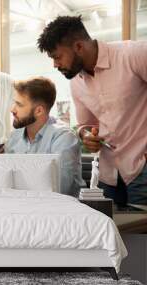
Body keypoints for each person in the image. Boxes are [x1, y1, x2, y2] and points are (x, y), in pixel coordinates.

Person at [37, 15, 147, 205]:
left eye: (57, 57)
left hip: (142, 168)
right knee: (109, 230)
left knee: (140, 233)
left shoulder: (134, 54)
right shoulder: (76, 83)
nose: (55, 65)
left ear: (79, 47)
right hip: (107, 174)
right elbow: (85, 125)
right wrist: (86, 134)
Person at [5, 77, 84, 197]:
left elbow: (60, 188)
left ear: (39, 111)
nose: (12, 110)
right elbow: (7, 183)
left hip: (58, 209)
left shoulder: (64, 139)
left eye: (19, 105)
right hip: (22, 205)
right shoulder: (14, 137)